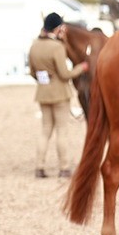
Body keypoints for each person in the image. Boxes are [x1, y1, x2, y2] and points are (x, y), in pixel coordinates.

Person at [28, 12, 89, 178]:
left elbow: (33, 72)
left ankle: (39, 167)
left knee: (45, 131)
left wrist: (44, 77)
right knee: (62, 131)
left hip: (42, 93)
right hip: (60, 94)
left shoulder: (34, 45)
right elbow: (65, 74)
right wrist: (81, 67)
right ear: (57, 28)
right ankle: (64, 168)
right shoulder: (57, 47)